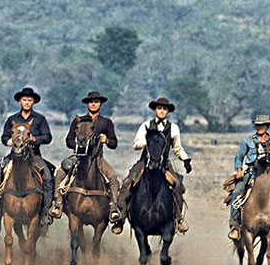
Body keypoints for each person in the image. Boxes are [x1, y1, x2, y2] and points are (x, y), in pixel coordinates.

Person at [113, 97, 192, 235]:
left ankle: (178, 218)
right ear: (155, 110)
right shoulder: (146, 125)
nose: (162, 111)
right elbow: (135, 144)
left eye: (165, 109)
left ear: (168, 112)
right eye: (159, 108)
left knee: (177, 184)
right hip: (145, 163)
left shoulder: (173, 128)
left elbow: (177, 148)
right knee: (127, 183)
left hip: (164, 164)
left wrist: (185, 159)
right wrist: (146, 142)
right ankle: (120, 217)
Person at [0, 87, 55, 225]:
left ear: (33, 102)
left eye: (29, 100)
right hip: (14, 155)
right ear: (20, 102)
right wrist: (7, 140)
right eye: (24, 100)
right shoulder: (12, 119)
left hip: (34, 156)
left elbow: (48, 137)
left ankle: (46, 211)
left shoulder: (40, 119)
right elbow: (4, 137)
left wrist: (34, 139)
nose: (27, 102)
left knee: (48, 177)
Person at [51, 91, 119, 218]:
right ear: (87, 104)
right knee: (60, 173)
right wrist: (77, 145)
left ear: (100, 104)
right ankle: (58, 204)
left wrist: (107, 140)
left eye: (96, 102)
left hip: (97, 158)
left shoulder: (106, 122)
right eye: (91, 102)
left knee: (113, 177)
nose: (93, 104)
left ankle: (113, 207)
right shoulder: (78, 121)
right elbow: (68, 140)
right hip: (78, 157)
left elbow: (114, 143)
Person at [227, 115, 270, 242]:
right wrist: (239, 169)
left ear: (267, 126)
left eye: (262, 125)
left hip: (269, 174)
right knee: (236, 193)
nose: (259, 127)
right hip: (251, 173)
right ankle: (234, 226)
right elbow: (239, 157)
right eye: (257, 125)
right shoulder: (247, 141)